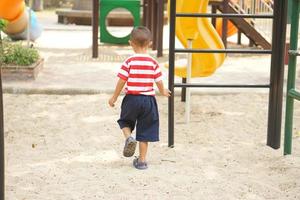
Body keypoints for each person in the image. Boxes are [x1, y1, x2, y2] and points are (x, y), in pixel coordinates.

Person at [108, 26, 170, 170]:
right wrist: (163, 91)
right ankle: (142, 161)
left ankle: (129, 137)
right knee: (145, 130)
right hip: (148, 101)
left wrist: (114, 97)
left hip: (131, 99)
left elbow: (122, 80)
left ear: (131, 43)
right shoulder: (153, 62)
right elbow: (159, 81)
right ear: (150, 43)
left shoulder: (129, 61)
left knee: (124, 121)